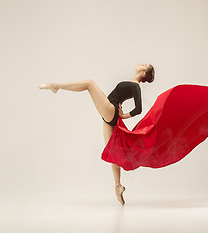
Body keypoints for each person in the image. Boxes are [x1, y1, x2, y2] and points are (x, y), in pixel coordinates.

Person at [39, 63, 155, 205]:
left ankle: (56, 86)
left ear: (143, 73)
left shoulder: (136, 86)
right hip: (110, 114)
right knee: (112, 151)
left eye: (144, 65)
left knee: (89, 83)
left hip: (111, 110)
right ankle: (118, 186)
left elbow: (139, 109)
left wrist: (123, 116)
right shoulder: (131, 83)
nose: (140, 63)